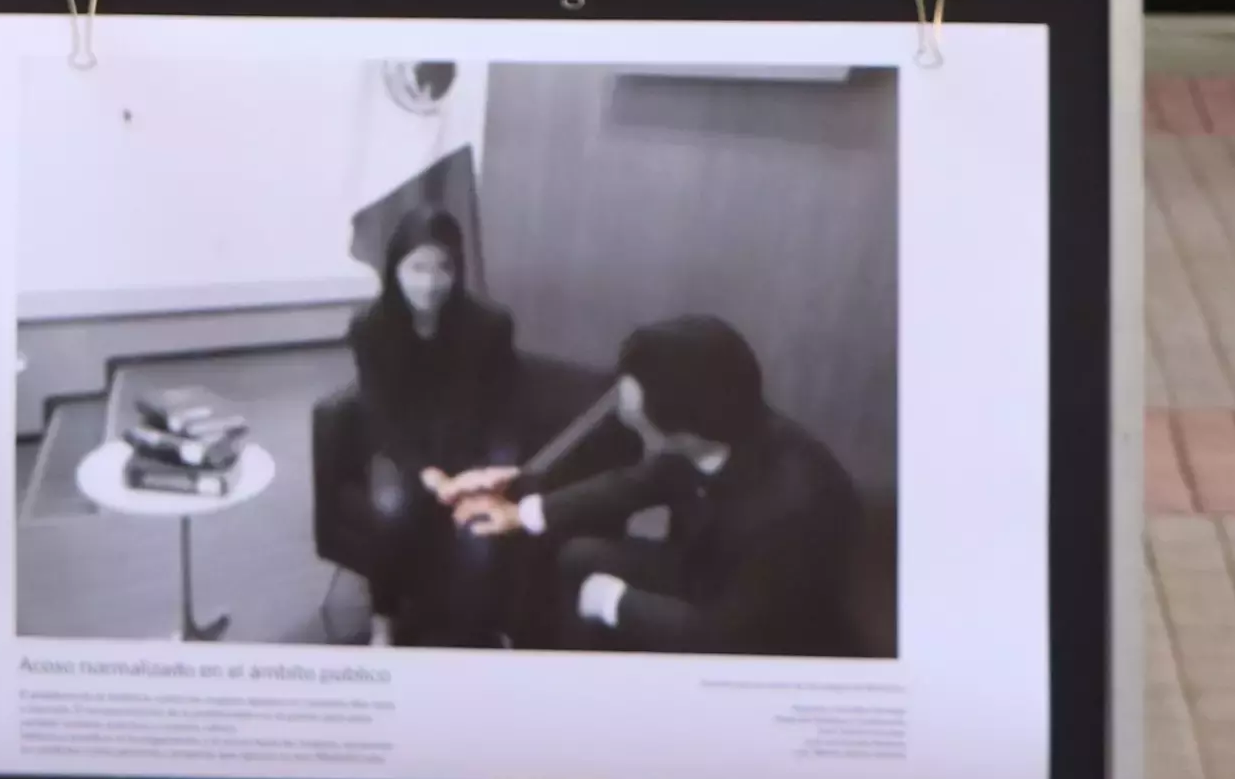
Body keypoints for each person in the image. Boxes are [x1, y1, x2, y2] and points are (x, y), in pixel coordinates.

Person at [442, 313, 867, 655]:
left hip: (760, 632)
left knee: (599, 591)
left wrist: (616, 602)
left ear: (688, 427)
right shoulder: (719, 433)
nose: (644, 444)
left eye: (645, 430)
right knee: (578, 556)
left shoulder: (794, 506)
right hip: (705, 570)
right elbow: (629, 485)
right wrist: (520, 513)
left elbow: (727, 634)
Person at [341, 209, 527, 643]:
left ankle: (481, 629)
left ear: (458, 269)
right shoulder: (370, 327)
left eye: (443, 268)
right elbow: (380, 415)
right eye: (417, 268)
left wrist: (488, 472)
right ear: (396, 269)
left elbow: (505, 411)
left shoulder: (490, 324)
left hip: (472, 451)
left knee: (480, 529)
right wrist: (426, 472)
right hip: (404, 448)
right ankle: (383, 622)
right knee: (389, 509)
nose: (430, 282)